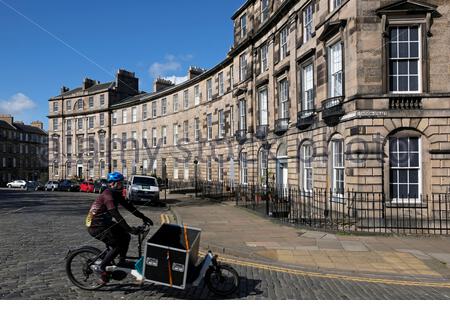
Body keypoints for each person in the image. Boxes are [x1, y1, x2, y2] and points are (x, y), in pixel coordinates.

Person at [85, 172, 153, 283]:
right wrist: (130, 229)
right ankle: (101, 268)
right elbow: (117, 216)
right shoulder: (108, 196)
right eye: (120, 183)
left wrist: (144, 217)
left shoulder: (115, 194)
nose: (122, 185)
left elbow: (130, 207)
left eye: (122, 183)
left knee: (125, 236)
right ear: (112, 184)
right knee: (117, 244)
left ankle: (122, 261)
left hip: (105, 223)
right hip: (96, 226)